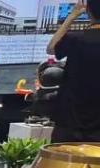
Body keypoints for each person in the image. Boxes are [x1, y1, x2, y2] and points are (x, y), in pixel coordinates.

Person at [47, 0, 100, 142]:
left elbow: (51, 48)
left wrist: (72, 15)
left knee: (61, 156)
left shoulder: (75, 38)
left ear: (88, 11)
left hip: (70, 122)